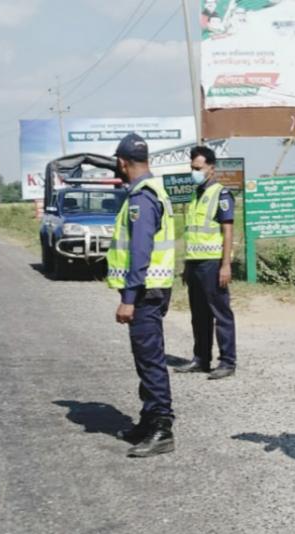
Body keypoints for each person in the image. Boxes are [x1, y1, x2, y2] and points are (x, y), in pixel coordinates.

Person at [106, 133, 178, 458]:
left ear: (122, 162)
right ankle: (148, 421)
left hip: (145, 292)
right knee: (145, 357)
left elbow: (140, 252)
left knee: (150, 361)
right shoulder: (153, 191)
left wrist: (128, 298)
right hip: (153, 289)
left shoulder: (141, 198)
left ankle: (162, 429)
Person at [174, 145, 238, 380]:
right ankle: (201, 359)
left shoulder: (220, 194)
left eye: (198, 168)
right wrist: (186, 267)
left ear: (211, 168)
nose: (195, 172)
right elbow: (192, 232)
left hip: (213, 263)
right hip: (194, 263)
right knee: (198, 315)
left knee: (220, 313)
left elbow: (228, 231)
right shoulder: (194, 195)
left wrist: (226, 264)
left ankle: (227, 361)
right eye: (192, 168)